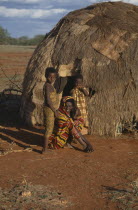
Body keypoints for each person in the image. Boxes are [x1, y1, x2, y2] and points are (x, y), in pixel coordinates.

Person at [42, 67, 67, 154]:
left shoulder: (50, 86)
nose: (51, 79)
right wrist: (55, 111)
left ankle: (48, 146)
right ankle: (44, 150)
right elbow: (48, 101)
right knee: (48, 129)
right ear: (45, 76)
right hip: (49, 110)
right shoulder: (47, 86)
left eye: (53, 77)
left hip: (51, 109)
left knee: (50, 128)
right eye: (49, 77)